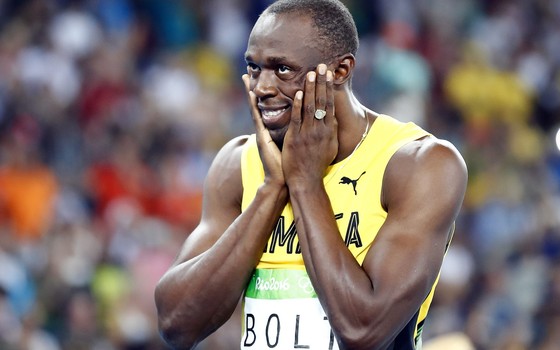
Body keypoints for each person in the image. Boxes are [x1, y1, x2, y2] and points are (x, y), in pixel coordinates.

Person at [154, 0, 468, 349]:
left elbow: (364, 332)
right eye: (254, 68)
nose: (262, 87)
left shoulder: (418, 164)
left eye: (283, 70)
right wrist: (272, 189)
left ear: (340, 70)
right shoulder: (237, 164)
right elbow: (176, 324)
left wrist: (305, 182)